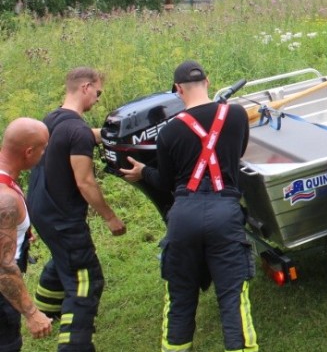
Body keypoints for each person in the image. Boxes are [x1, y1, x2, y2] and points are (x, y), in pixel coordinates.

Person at [120, 60, 257, 352]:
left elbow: (166, 181)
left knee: (180, 296)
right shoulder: (236, 115)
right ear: (207, 81)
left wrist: (142, 172)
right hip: (224, 212)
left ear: (178, 90)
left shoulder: (168, 132)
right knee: (233, 297)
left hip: (184, 216)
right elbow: (238, 152)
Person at [27, 67, 125, 351]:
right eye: (97, 92)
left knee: (63, 258)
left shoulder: (53, 119)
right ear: (85, 87)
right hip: (63, 219)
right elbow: (85, 182)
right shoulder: (77, 130)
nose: (98, 99)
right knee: (87, 281)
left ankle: (47, 308)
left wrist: (107, 134)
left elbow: (76, 136)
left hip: (41, 210)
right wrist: (110, 217)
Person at [0, 118, 54, 350]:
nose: (44, 154)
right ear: (29, 151)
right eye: (43, 148)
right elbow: (2, 269)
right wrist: (32, 313)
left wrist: (20, 236)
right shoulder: (5, 200)